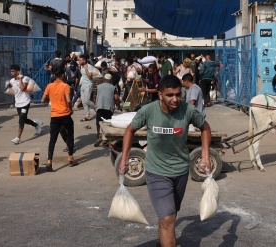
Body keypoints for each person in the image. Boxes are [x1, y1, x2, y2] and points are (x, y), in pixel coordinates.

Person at [118, 75, 212, 247]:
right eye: (169, 95)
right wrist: (124, 158)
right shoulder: (148, 111)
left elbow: (205, 128)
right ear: (160, 95)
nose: (175, 99)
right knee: (168, 219)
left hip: (181, 171)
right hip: (157, 172)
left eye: (178, 94)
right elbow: (130, 130)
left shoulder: (188, 110)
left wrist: (205, 155)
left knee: (170, 216)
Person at [40, 63, 78, 172]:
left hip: (55, 116)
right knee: (70, 135)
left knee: (53, 139)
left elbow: (43, 100)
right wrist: (70, 109)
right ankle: (70, 157)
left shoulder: (49, 86)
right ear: (62, 75)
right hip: (65, 114)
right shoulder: (65, 86)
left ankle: (49, 162)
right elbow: (69, 100)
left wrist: (51, 99)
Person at [7, 64, 42, 144]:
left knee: (21, 120)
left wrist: (20, 80)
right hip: (18, 103)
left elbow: (23, 88)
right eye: (11, 71)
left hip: (25, 102)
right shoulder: (12, 80)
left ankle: (18, 138)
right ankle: (36, 124)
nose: (11, 72)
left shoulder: (25, 78)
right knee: (24, 119)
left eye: (13, 71)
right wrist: (8, 84)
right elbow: (12, 89)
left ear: (17, 71)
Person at [94, 73, 119, 146]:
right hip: (109, 108)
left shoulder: (98, 87)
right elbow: (116, 98)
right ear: (110, 80)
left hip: (100, 107)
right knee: (107, 123)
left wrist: (96, 105)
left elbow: (95, 96)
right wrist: (118, 105)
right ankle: (106, 140)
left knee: (99, 123)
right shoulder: (113, 87)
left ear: (104, 79)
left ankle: (99, 136)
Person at [78, 54, 96, 121]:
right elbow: (83, 74)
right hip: (83, 85)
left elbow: (90, 76)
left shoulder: (89, 66)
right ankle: (87, 115)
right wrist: (80, 68)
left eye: (80, 60)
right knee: (83, 102)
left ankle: (97, 108)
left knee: (87, 100)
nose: (79, 61)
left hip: (89, 84)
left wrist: (86, 69)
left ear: (84, 60)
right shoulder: (81, 66)